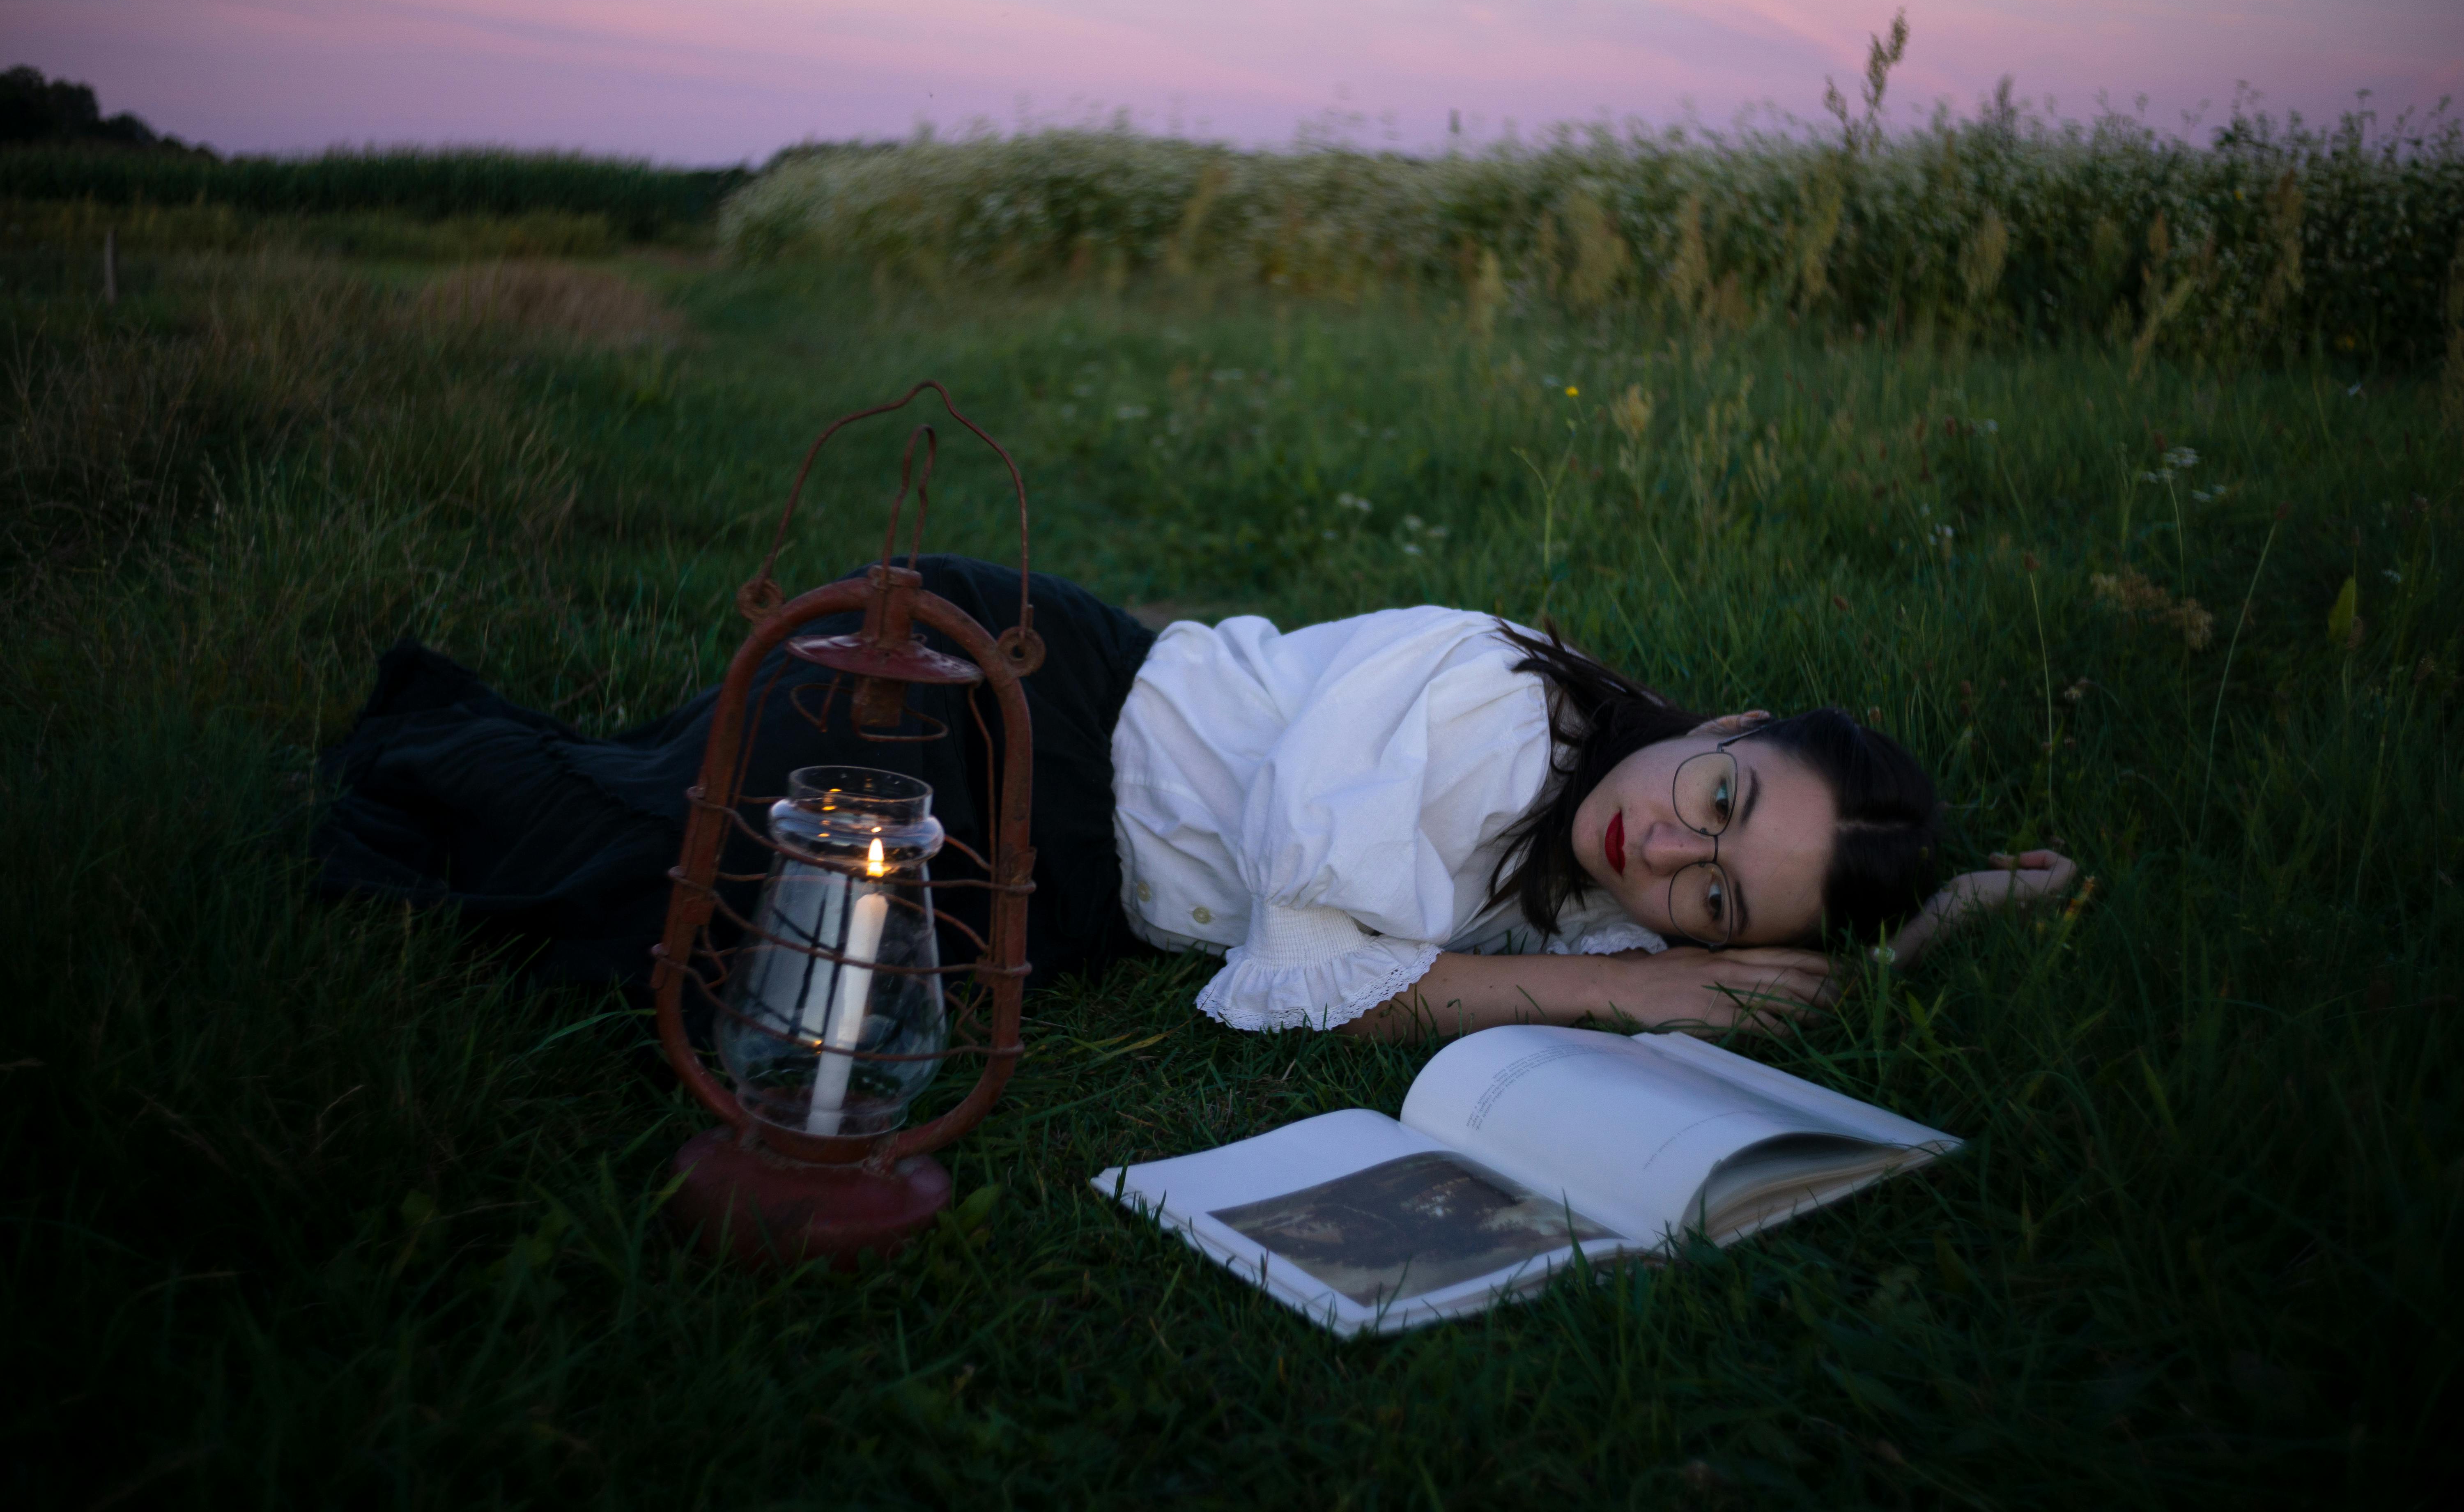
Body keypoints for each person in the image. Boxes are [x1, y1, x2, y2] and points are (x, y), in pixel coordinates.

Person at [316, 554, 2076, 1040]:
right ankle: (430, 745)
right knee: (651, 904)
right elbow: (1294, 977)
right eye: (1719, 791)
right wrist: (1651, 987)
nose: (1670, 850)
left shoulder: (1616, 867)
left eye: (1713, 891)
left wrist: (1939, 903)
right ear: (1737, 718)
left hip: (1064, 890)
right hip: (1002, 719)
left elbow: (1773, 927)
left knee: (810, 980)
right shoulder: (1488, 695)